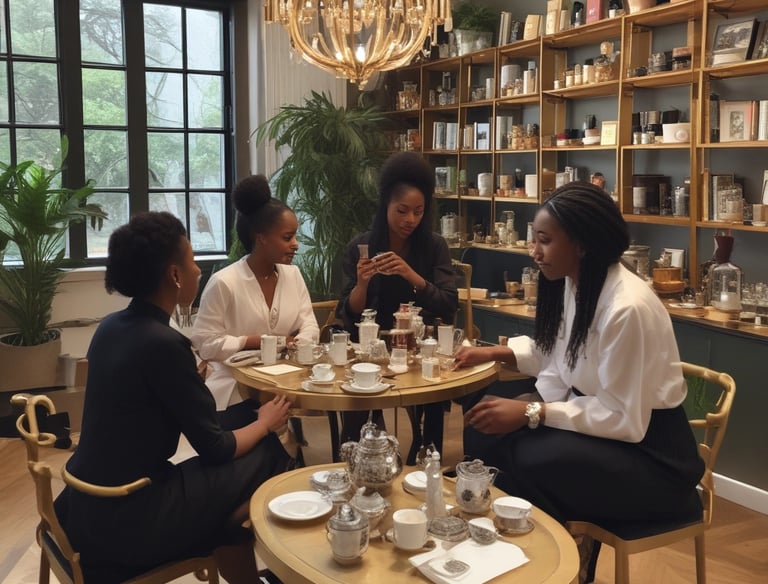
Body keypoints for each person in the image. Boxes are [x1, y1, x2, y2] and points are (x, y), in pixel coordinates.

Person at [455, 182, 704, 572]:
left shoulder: (627, 307)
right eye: (533, 239)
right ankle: (515, 553)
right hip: (606, 433)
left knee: (528, 458)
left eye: (544, 240)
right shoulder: (577, 283)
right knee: (482, 426)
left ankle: (557, 565)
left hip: (653, 460)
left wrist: (534, 412)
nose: (534, 251)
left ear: (582, 244)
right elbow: (562, 356)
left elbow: (625, 419)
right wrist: (502, 360)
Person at [55, 212, 292, 584]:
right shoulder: (164, 344)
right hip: (131, 518)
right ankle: (266, 562)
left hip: (84, 508)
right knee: (271, 453)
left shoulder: (111, 326)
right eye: (193, 261)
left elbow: (141, 405)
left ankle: (230, 542)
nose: (198, 270)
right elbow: (215, 447)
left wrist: (195, 387)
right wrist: (264, 424)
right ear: (175, 275)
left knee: (243, 439)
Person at [336, 152, 458, 462]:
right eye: (402, 211)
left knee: (432, 394)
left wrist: (409, 273)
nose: (411, 220)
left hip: (417, 350)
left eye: (418, 211)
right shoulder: (362, 245)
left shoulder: (433, 246)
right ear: (385, 206)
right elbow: (349, 312)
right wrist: (362, 283)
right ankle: (356, 461)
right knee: (357, 398)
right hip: (370, 349)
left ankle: (426, 461)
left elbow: (447, 302)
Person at [191, 175, 319, 429]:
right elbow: (205, 344)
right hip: (234, 390)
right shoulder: (224, 282)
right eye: (287, 237)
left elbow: (310, 326)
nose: (295, 244)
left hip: (284, 382)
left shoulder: (292, 275)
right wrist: (252, 341)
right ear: (261, 238)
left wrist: (297, 345)